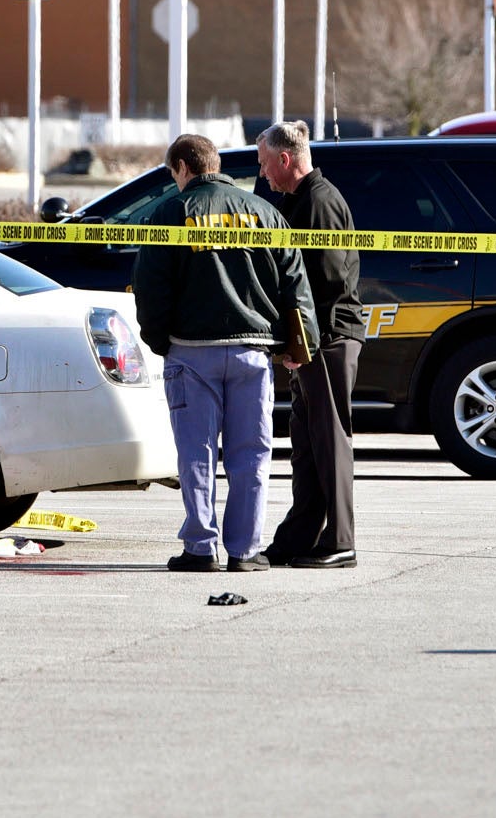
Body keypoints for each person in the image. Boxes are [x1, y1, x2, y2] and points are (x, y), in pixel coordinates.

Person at [133, 133, 319, 573]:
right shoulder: (266, 213)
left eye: (172, 173)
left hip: (191, 353)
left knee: (196, 454)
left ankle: (200, 549)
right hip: (254, 354)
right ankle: (244, 551)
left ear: (182, 167)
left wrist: (161, 341)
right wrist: (299, 344)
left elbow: (151, 288)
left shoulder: (170, 213)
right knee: (251, 454)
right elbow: (296, 284)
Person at [256, 120, 365, 568]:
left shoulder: (318, 203)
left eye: (264, 164)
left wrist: (298, 342)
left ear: (285, 159)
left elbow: (323, 281)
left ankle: (340, 542)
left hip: (327, 339)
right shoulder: (300, 201)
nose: (262, 174)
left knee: (330, 439)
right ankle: (300, 537)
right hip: (312, 341)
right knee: (307, 441)